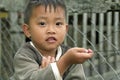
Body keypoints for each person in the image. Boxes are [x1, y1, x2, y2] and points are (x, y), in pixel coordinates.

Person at [10, 0, 93, 80]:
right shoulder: (24, 56)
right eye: (42, 23)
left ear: (66, 29)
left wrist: (47, 73)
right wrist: (65, 62)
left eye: (58, 24)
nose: (51, 30)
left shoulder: (71, 57)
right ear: (28, 30)